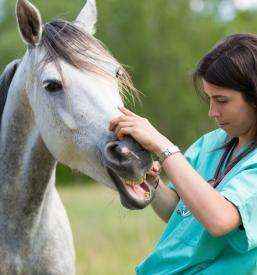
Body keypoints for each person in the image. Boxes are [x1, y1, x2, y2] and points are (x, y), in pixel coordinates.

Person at [110, 33, 257, 274]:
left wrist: (164, 148)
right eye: (209, 99)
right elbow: (180, 214)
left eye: (222, 100)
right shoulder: (211, 143)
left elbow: (220, 220)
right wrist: (153, 184)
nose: (212, 111)